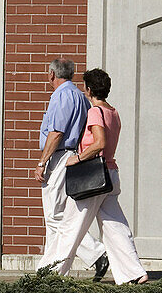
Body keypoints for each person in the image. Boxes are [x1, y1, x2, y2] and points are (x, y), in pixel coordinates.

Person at [53, 68, 148, 284]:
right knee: (116, 227)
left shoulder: (95, 112)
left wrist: (77, 158)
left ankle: (51, 274)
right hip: (110, 175)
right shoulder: (113, 112)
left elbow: (100, 143)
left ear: (88, 89)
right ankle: (134, 272)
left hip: (93, 177)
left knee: (70, 226)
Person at [34, 57, 109, 280]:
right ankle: (50, 269)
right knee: (56, 218)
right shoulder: (79, 95)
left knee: (56, 216)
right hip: (73, 156)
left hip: (60, 157)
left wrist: (42, 162)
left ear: (51, 74)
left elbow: (56, 133)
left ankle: (97, 254)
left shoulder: (62, 96)